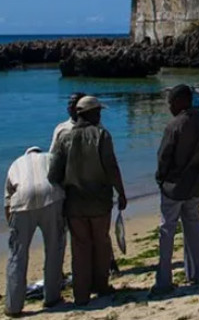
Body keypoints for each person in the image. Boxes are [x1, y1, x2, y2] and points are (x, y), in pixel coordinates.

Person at [48, 96, 127, 307]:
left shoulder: (64, 138)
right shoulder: (102, 135)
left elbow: (53, 174)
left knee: (80, 248)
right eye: (98, 111)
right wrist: (121, 192)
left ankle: (81, 294)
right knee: (101, 244)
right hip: (100, 201)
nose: (100, 115)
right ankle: (101, 286)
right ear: (90, 114)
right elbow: (111, 167)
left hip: (74, 203)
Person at [151, 85, 199, 296]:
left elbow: (164, 158)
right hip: (196, 184)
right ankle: (196, 274)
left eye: (170, 102)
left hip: (174, 187)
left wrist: (160, 180)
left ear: (180, 101)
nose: (169, 106)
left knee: (167, 231)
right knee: (194, 229)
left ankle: (164, 280)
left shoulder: (174, 126)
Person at [4, 147, 66, 317]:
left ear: (26, 154)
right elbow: (62, 181)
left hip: (22, 201)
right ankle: (52, 297)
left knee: (17, 255)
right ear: (39, 153)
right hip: (51, 196)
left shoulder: (15, 164)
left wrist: (13, 226)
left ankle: (13, 306)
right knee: (54, 249)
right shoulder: (49, 158)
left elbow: (8, 202)